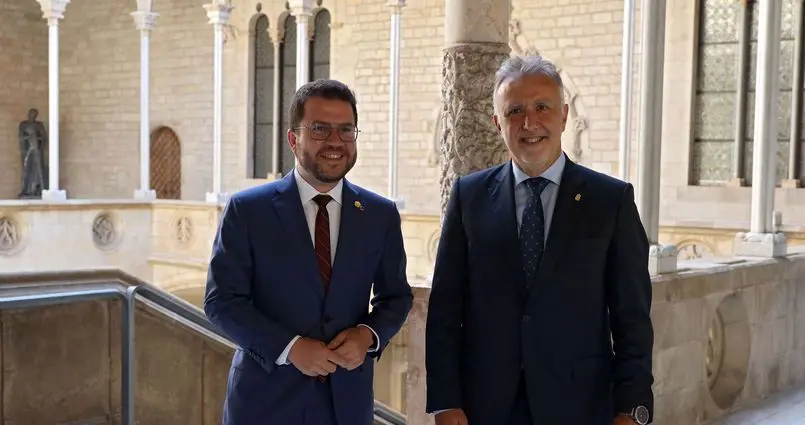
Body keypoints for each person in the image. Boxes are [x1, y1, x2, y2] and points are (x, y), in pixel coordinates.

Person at [424, 54, 654, 425]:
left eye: (542, 107)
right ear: (499, 123)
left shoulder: (610, 201)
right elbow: (445, 312)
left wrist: (631, 410)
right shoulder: (469, 197)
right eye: (515, 111)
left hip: (580, 407)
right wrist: (445, 402)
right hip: (484, 408)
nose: (529, 122)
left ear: (564, 116)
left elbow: (633, 321)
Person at [204, 79, 413, 425]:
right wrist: (290, 348)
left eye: (346, 130)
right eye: (320, 129)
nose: (335, 142)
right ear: (293, 138)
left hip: (346, 407)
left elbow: (396, 297)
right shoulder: (247, 210)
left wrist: (367, 336)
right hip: (263, 406)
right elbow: (221, 301)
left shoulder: (380, 215)